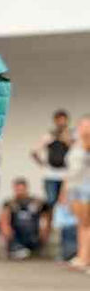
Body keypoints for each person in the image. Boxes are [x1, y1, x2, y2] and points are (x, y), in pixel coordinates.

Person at [30, 109, 73, 208]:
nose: (61, 123)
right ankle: (52, 222)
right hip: (51, 173)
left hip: (66, 173)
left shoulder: (71, 135)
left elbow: (77, 150)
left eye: (63, 120)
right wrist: (42, 164)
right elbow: (34, 152)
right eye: (59, 120)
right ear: (55, 121)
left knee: (66, 201)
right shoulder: (49, 136)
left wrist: (66, 139)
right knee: (51, 202)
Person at [63, 115, 90, 271]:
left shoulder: (87, 143)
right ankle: (82, 255)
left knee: (87, 224)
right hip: (75, 187)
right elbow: (70, 170)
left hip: (86, 187)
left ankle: (86, 258)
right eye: (82, 125)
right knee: (81, 224)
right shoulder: (76, 144)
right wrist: (65, 190)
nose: (84, 128)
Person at [0, 178, 50, 260]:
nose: (20, 191)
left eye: (22, 189)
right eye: (17, 189)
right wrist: (6, 234)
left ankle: (34, 249)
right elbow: (4, 220)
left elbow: (46, 217)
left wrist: (44, 231)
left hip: (33, 235)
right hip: (17, 236)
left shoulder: (37, 202)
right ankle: (16, 249)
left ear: (26, 188)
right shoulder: (9, 203)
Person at [53, 186, 78, 263]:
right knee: (68, 230)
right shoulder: (59, 207)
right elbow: (57, 223)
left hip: (76, 229)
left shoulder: (78, 207)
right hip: (67, 231)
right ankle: (69, 254)